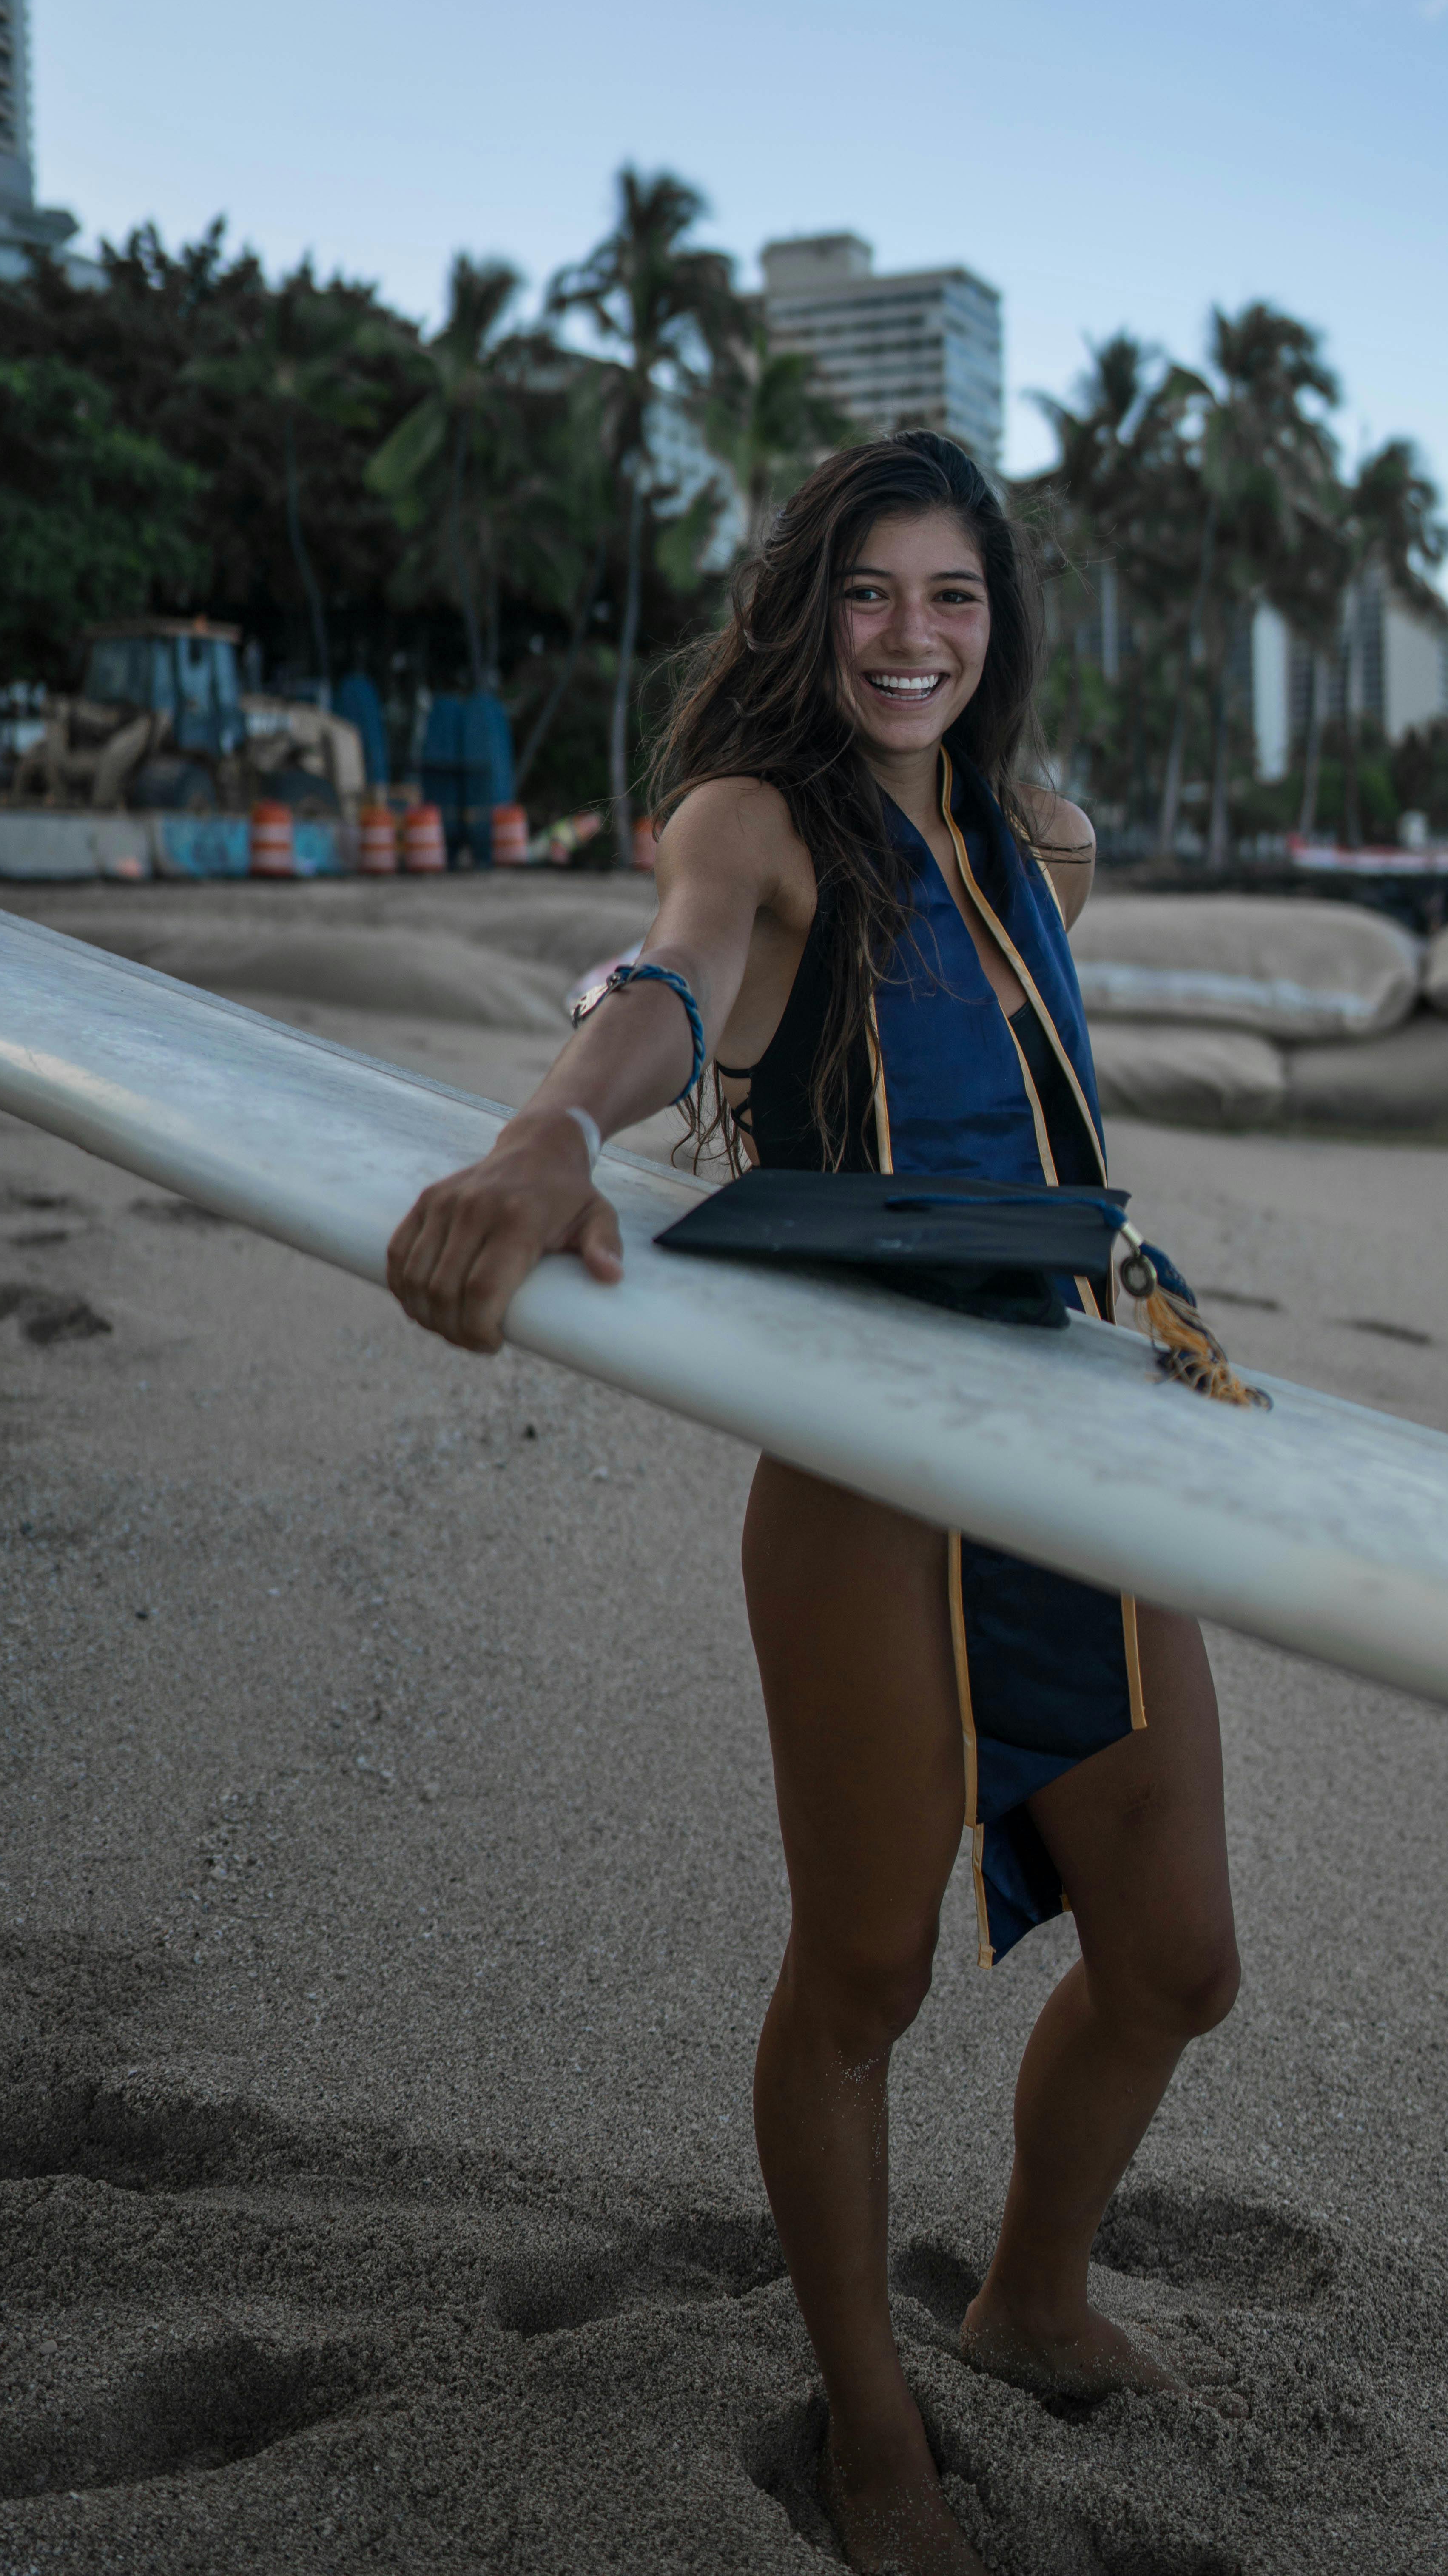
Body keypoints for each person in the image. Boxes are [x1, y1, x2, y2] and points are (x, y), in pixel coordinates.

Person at [385, 433, 1240, 2576]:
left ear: (998, 623)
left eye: (950, 597)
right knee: (862, 1976)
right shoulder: (750, 821)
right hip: (865, 1457)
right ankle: (870, 2422)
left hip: (1069, 1420)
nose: (909, 637)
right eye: (869, 593)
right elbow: (667, 986)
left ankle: (1029, 2292)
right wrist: (552, 1134)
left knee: (1179, 1958)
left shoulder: (1044, 834)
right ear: (808, 609)